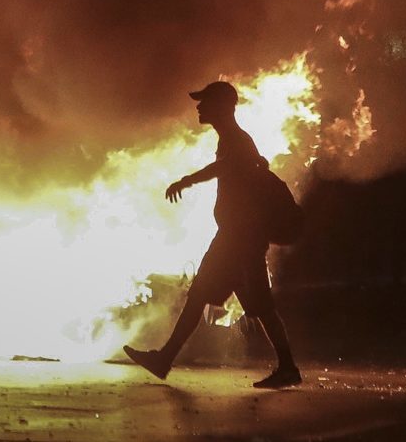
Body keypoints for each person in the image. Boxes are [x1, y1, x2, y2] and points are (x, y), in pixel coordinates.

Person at [123, 81, 301, 389]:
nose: (199, 107)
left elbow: (224, 168)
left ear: (223, 106)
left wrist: (187, 180)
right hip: (234, 238)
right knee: (206, 296)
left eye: (205, 101)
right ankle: (165, 358)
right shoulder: (232, 140)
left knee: (252, 305)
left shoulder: (236, 140)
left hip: (241, 240)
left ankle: (287, 367)